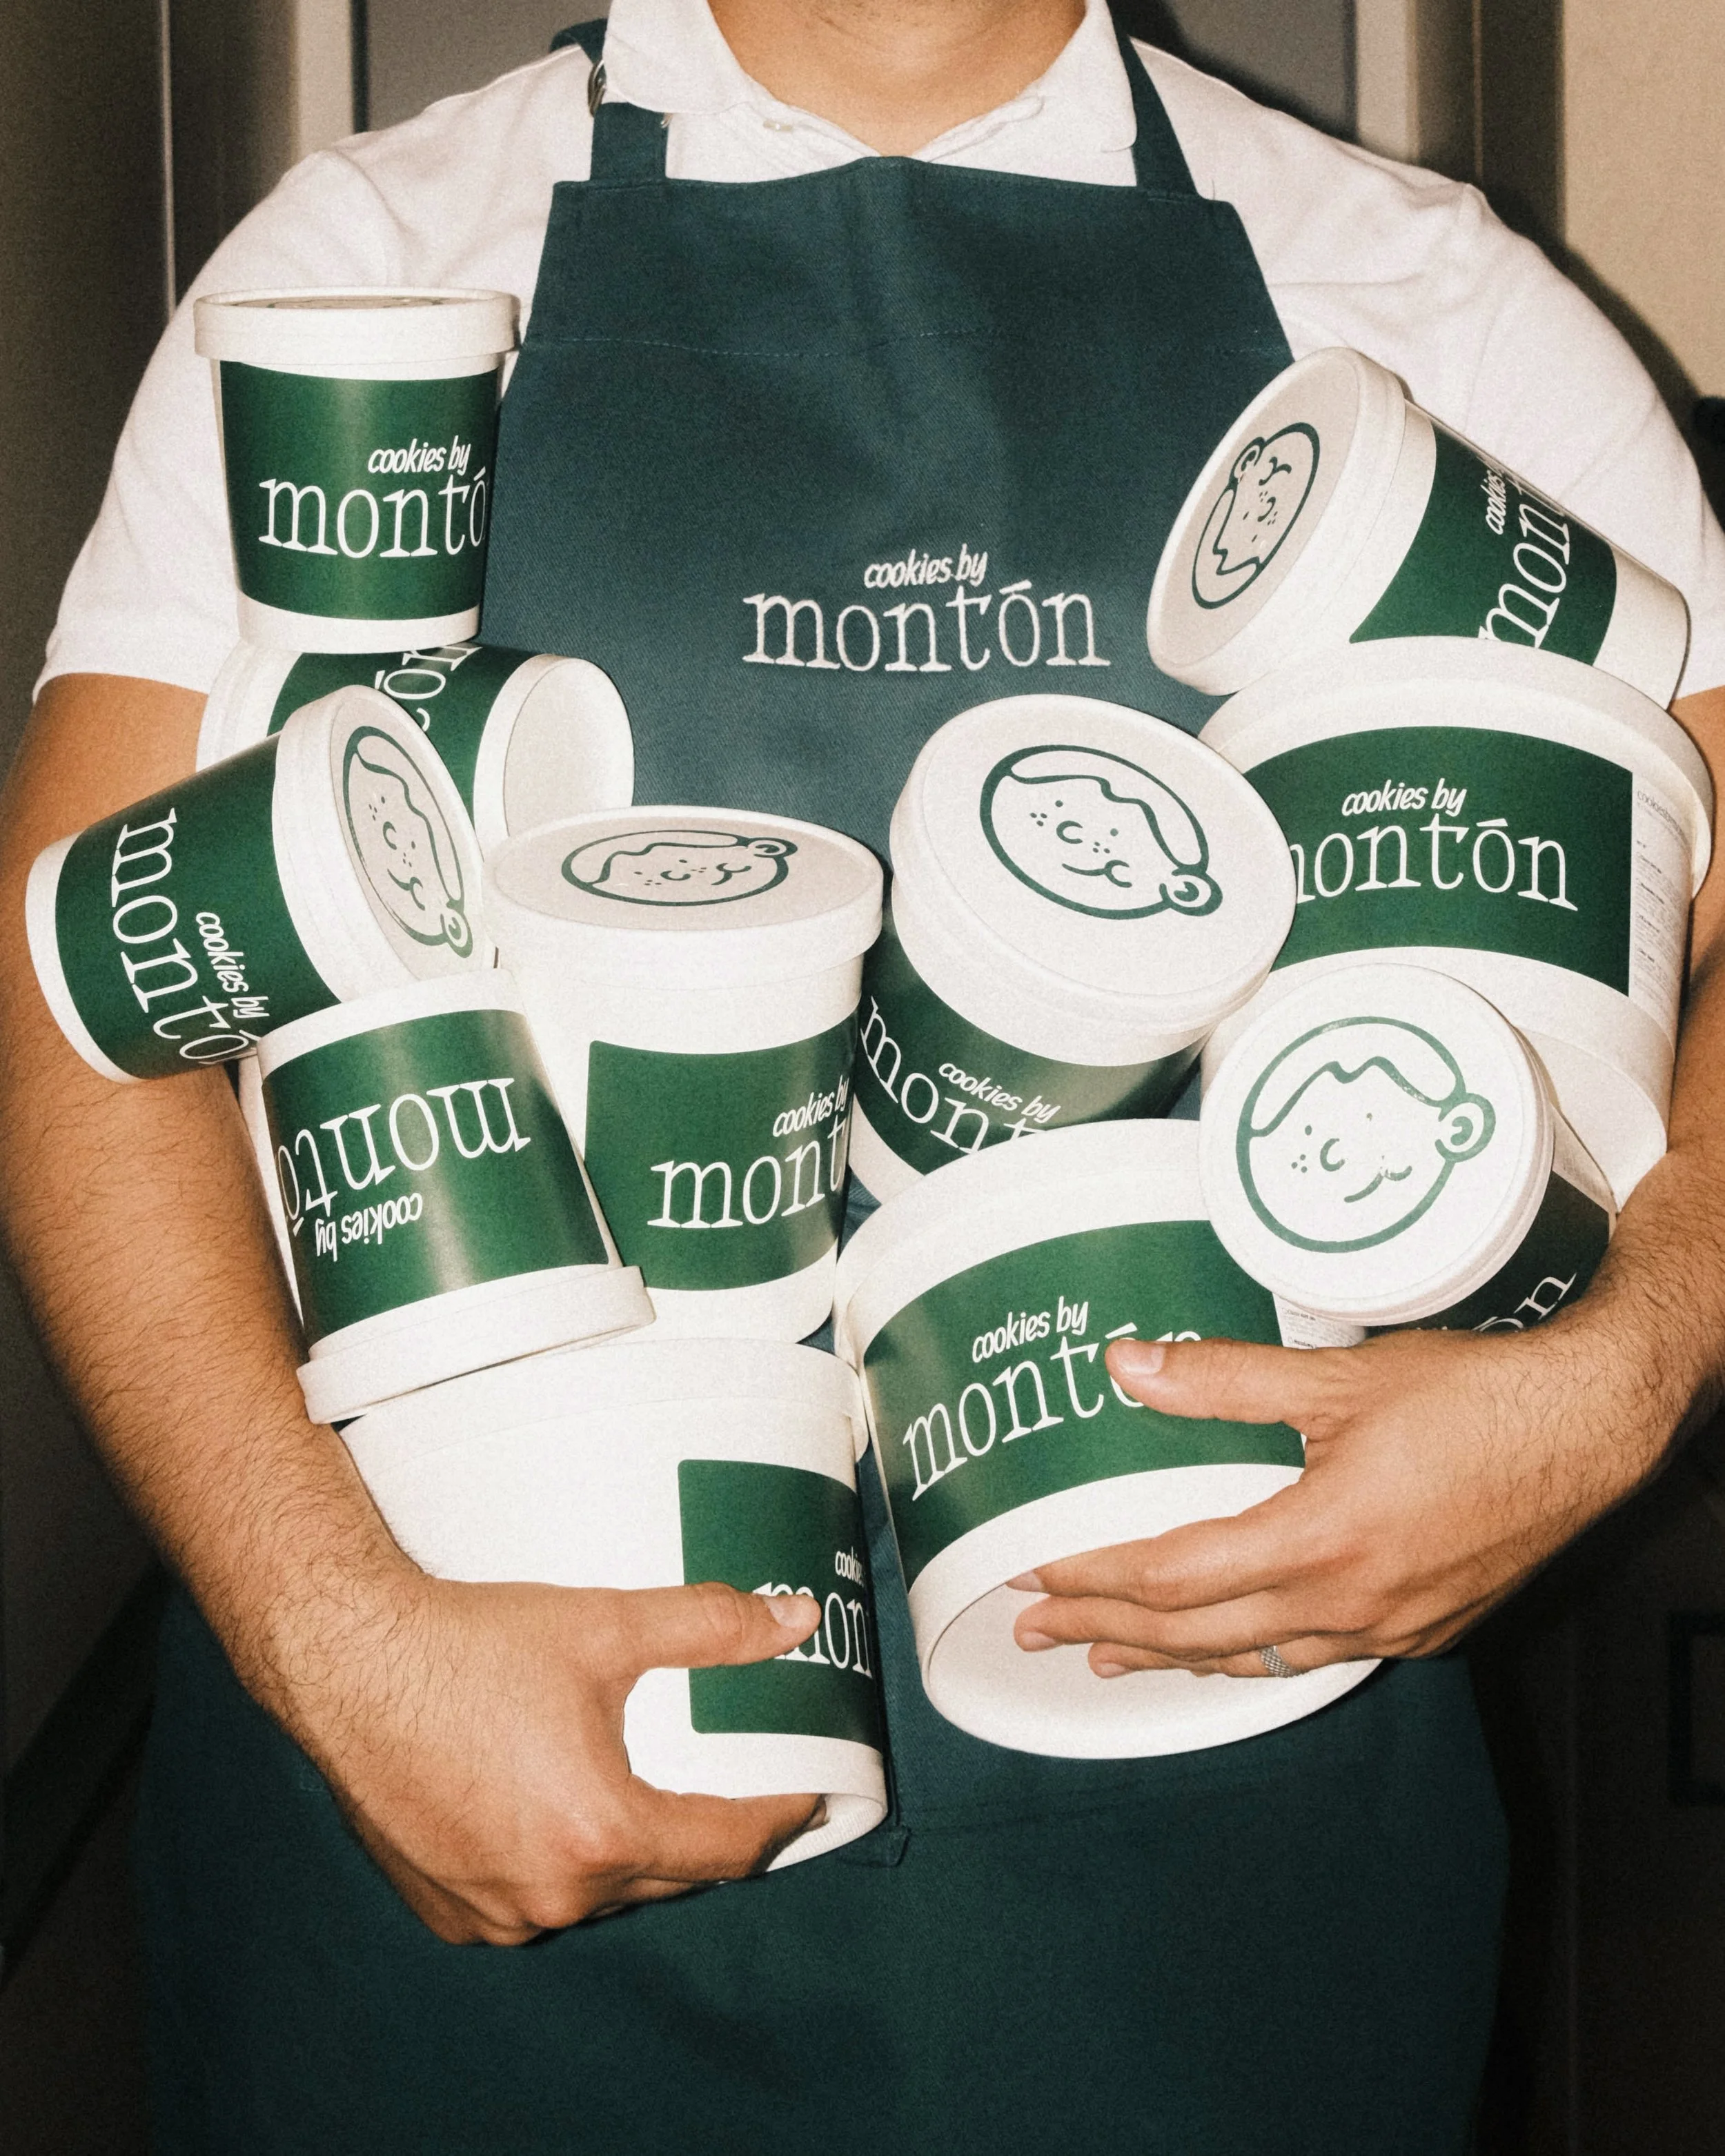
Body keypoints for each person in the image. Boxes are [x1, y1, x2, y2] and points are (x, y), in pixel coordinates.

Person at [3, 0, 1723, 2146]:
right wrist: (329, 1633)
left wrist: (1618, 1369)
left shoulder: (1425, 299)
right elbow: (82, 1001)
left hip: (1206, 1848)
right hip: (470, 1775)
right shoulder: (362, 262)